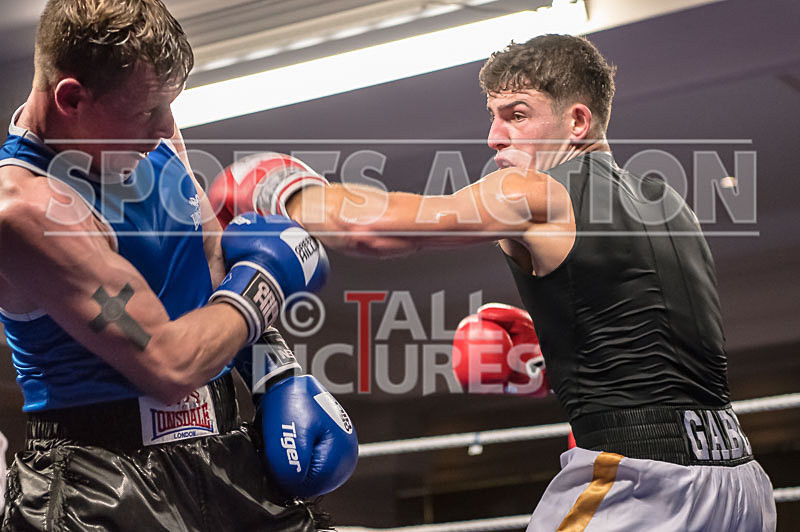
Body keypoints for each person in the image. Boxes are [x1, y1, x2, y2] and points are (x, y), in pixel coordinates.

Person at [209, 34, 777, 530]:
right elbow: (653, 333)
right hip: (741, 484)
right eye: (493, 115)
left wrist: (280, 187)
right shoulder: (671, 204)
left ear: (577, 121)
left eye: (517, 114)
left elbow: (380, 232)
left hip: (643, 485)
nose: (494, 137)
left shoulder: (537, 193)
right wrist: (547, 347)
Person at [0, 1, 356, 530]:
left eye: (170, 105)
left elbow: (214, 265)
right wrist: (267, 281)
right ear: (71, 97)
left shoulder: (153, 140)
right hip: (99, 488)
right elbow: (166, 364)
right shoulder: (26, 210)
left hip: (222, 447)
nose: (165, 126)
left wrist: (273, 369)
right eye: (147, 111)